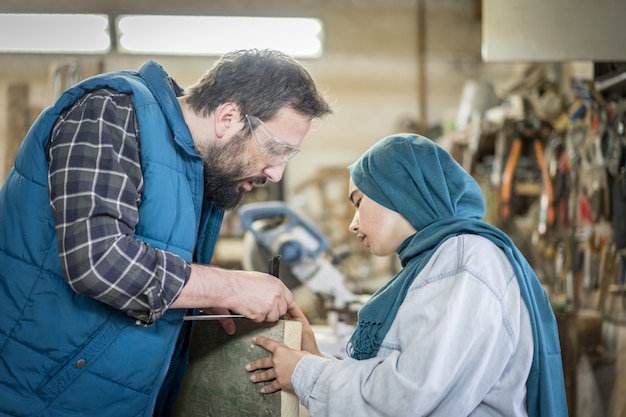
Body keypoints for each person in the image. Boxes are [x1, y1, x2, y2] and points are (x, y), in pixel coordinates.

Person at [0, 49, 331, 417]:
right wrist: (229, 286)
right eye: (275, 149)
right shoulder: (109, 113)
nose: (277, 173)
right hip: (39, 399)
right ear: (228, 117)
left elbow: (149, 264)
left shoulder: (194, 167)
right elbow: (97, 260)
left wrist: (200, 296)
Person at [247, 134, 568, 416]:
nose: (353, 224)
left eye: (359, 203)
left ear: (399, 191)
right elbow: (402, 377)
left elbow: (410, 396)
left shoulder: (465, 262)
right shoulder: (440, 261)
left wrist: (304, 372)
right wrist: (314, 358)